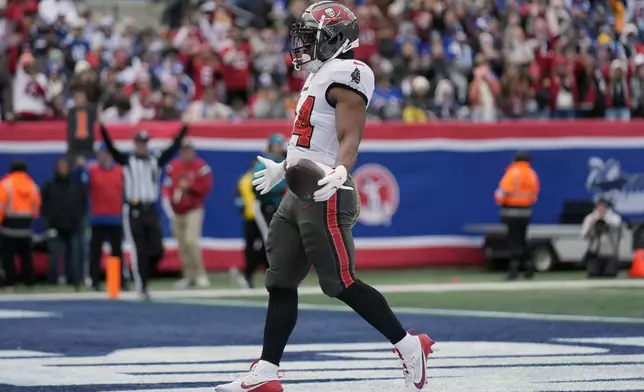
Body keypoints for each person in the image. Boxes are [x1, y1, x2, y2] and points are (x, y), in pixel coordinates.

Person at [215, 2, 434, 391]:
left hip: (326, 189)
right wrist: (285, 167)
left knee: (339, 282)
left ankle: (408, 345)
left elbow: (350, 134)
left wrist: (342, 170)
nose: (302, 45)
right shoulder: (318, 75)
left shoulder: (349, 72)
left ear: (335, 40)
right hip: (297, 191)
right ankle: (267, 371)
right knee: (280, 280)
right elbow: (315, 136)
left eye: (311, 37)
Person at [99, 123, 188, 300]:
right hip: (134, 209)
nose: (142, 146)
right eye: (139, 142)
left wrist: (184, 129)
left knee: (157, 248)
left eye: (145, 142)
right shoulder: (128, 161)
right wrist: (102, 129)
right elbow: (112, 148)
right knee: (139, 249)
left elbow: (173, 148)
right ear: (134, 144)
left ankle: (143, 273)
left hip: (151, 209)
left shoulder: (155, 160)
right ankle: (142, 285)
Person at [162, 139, 213, 289]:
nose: (186, 152)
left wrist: (191, 187)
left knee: (191, 240)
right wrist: (168, 198)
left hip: (194, 208)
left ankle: (200, 274)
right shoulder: (173, 166)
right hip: (176, 210)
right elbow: (167, 185)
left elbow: (206, 187)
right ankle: (188, 276)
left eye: (189, 149)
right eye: (184, 150)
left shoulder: (201, 167)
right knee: (182, 244)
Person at [245, 134, 287, 288]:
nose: (279, 148)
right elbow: (256, 185)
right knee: (268, 240)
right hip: (263, 206)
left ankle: (271, 272)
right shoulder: (264, 163)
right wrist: (277, 187)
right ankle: (252, 273)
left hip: (277, 206)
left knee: (274, 240)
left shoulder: (284, 162)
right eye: (277, 145)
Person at [84, 144, 127, 291]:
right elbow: (81, 183)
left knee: (117, 252)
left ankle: (117, 282)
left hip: (115, 217)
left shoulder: (120, 171)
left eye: (107, 153)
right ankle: (95, 282)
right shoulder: (92, 171)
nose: (105, 156)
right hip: (97, 218)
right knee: (95, 252)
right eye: (102, 153)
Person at [42, 158, 87, 290]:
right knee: (54, 255)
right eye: (60, 166)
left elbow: (83, 204)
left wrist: (79, 219)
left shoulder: (76, 186)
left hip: (73, 225)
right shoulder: (49, 186)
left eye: (65, 166)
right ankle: (53, 279)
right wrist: (49, 220)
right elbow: (44, 205)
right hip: (55, 226)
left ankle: (74, 279)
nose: (62, 169)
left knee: (74, 254)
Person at [495, 150, 540, 280]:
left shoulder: (512, 173)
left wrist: (500, 201)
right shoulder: (532, 174)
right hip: (526, 212)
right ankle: (529, 267)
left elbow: (502, 193)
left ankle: (513, 270)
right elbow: (534, 194)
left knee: (513, 240)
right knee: (522, 240)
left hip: (511, 211)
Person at [0, 160, 40, 289]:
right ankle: (29, 282)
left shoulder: (6, 184)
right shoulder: (32, 185)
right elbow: (36, 208)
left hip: (8, 226)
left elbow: (1, 206)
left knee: (8, 256)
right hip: (25, 227)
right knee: (26, 256)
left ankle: (10, 281)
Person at [235, 158, 265, 289]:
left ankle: (264, 273)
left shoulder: (262, 178)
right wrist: (242, 209)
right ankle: (248, 275)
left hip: (261, 216)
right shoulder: (245, 180)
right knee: (251, 248)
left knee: (264, 247)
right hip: (250, 217)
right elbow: (238, 198)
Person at [581, 199, 622, 278]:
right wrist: (593, 223)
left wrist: (604, 219)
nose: (601, 209)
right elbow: (584, 234)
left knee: (609, 274)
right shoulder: (590, 217)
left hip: (610, 254)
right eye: (599, 207)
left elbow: (616, 225)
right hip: (595, 253)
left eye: (603, 207)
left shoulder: (614, 217)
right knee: (592, 274)